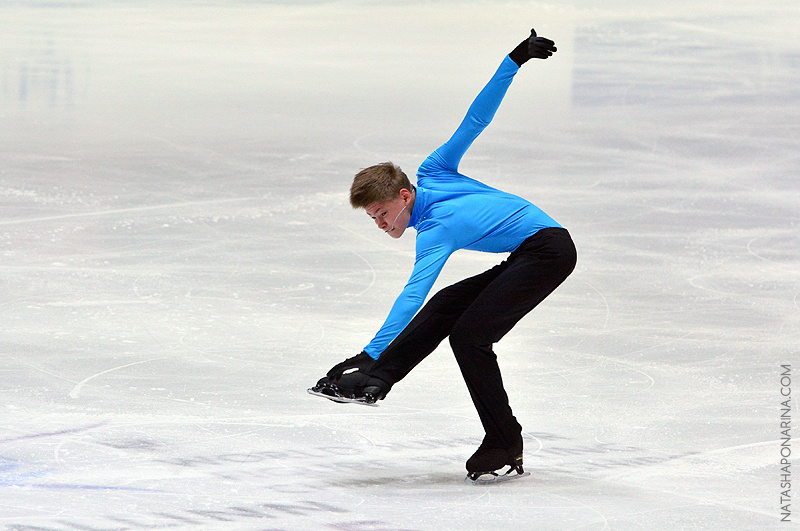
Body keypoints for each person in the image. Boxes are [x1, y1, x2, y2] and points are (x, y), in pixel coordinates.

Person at [309, 28, 576, 482]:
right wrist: (513, 61)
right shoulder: (433, 172)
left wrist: (370, 350)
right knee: (447, 306)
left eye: (384, 212)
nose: (382, 224)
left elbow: (413, 292)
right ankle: (380, 380)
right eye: (373, 219)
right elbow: (474, 121)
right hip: (533, 249)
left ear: (404, 193)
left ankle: (504, 439)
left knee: (469, 336)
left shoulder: (434, 226)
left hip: (548, 251)